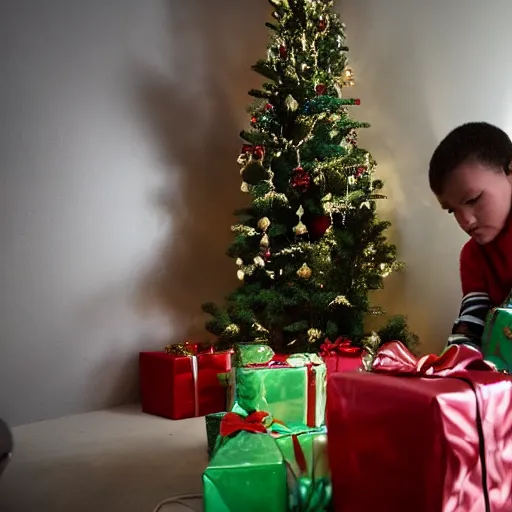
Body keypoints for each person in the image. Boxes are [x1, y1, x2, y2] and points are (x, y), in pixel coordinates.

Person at [429, 121, 512, 350]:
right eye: (452, 210)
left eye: (473, 199)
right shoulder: (472, 255)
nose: (465, 221)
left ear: (509, 172)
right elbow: (470, 326)